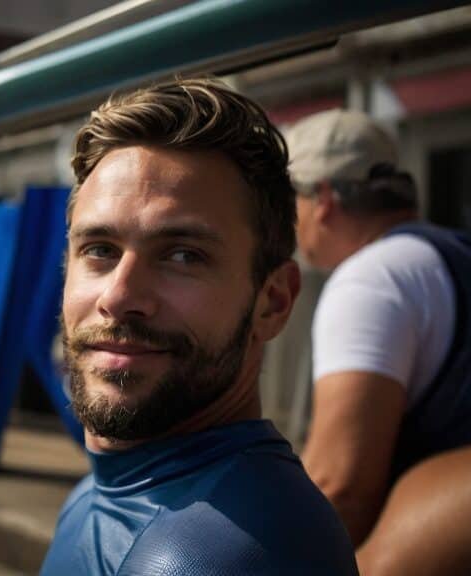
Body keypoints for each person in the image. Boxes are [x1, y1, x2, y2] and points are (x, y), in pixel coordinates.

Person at [41, 78, 357, 575]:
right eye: (99, 250)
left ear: (272, 302)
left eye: (183, 255)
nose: (120, 297)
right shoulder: (108, 490)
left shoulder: (219, 556)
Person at [287, 109, 471, 575]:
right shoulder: (453, 253)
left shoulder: (370, 280)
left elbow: (341, 486)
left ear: (323, 198)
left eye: (290, 201)